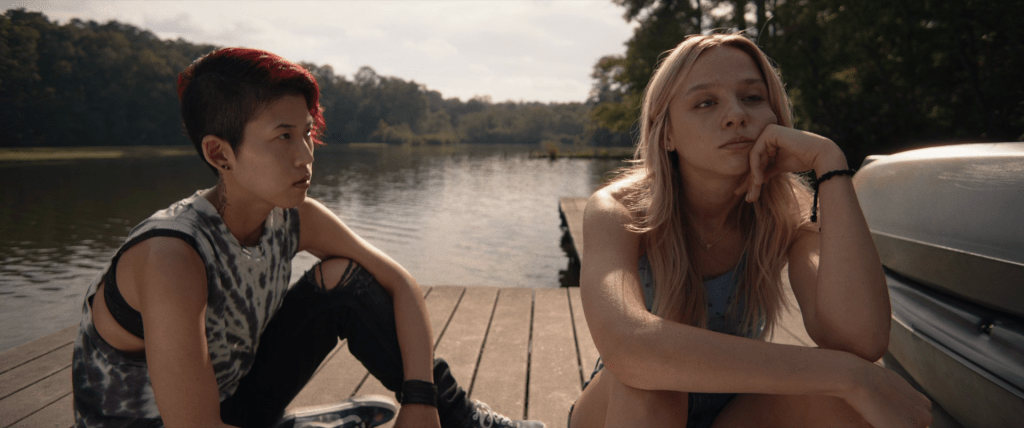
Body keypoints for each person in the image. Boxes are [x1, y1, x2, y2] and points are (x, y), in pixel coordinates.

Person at [71, 47, 543, 428]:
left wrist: (422, 401)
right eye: (283, 137)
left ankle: (466, 421)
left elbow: (399, 284)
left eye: (307, 133)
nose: (305, 156)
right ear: (219, 154)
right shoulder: (172, 254)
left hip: (235, 404)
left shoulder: (295, 218)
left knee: (345, 279)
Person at [567, 33, 933, 428]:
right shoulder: (620, 210)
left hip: (730, 408)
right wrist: (848, 376)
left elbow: (861, 340)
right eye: (706, 102)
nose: (736, 115)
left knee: (847, 405)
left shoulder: (785, 215)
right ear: (667, 132)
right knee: (653, 386)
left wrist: (829, 163)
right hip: (624, 410)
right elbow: (629, 347)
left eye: (753, 98)